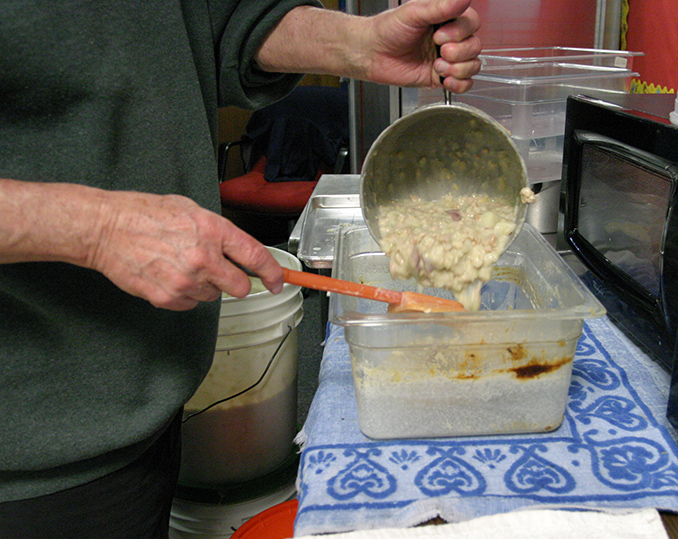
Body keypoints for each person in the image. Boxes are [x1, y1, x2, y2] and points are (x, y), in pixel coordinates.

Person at [0, 1, 481, 537]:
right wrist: (96, 230)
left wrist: (359, 44)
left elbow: (212, 23)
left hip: (149, 385)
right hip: (28, 441)